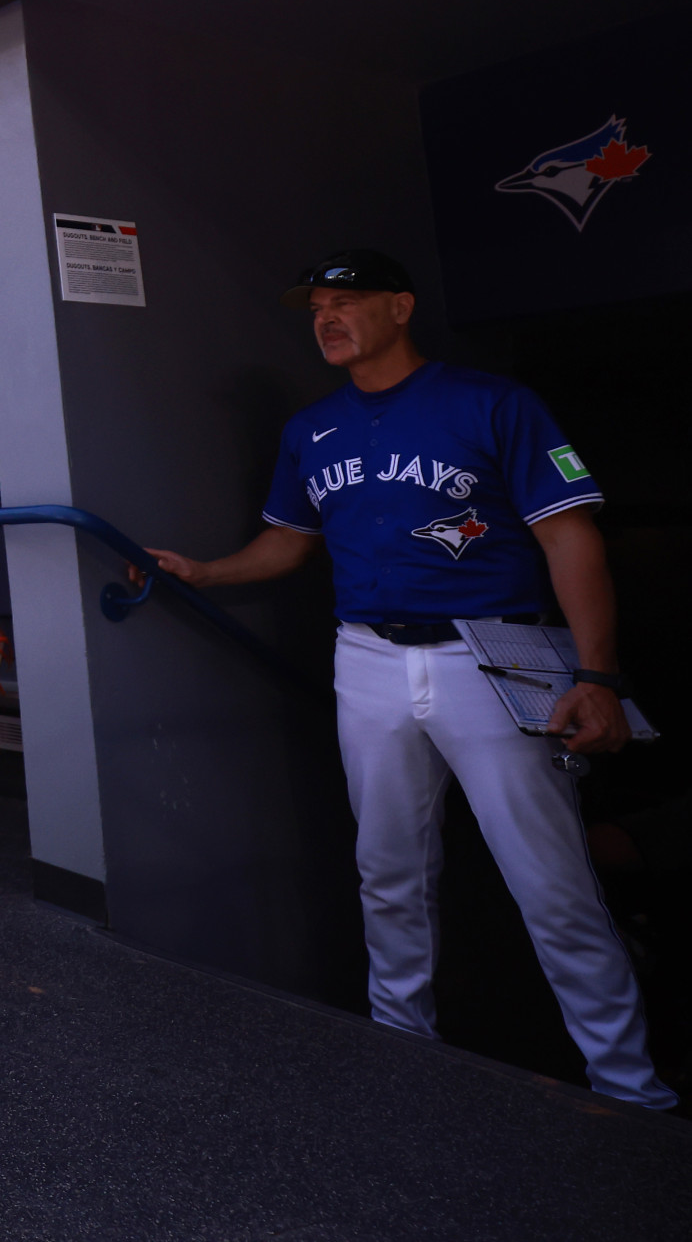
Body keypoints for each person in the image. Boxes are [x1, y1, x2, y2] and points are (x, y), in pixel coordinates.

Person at [140, 249, 676, 1112]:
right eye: (317, 306)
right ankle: (402, 1049)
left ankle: (630, 1089)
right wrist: (205, 573)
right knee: (387, 867)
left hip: (492, 651)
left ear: (401, 306)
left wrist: (598, 672)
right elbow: (289, 541)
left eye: (346, 301)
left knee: (550, 878)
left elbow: (570, 536)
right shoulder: (311, 430)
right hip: (369, 655)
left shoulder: (493, 402)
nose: (327, 317)